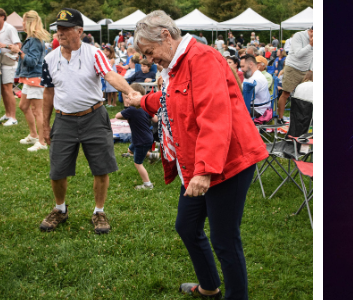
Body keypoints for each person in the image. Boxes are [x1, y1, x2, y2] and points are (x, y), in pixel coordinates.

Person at [128, 11, 268, 299]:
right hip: (200, 162)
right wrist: (141, 100)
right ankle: (209, 287)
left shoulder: (202, 58)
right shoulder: (177, 65)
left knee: (224, 239)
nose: (149, 59)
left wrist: (204, 171)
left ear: (166, 36)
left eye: (150, 52)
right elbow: (172, 99)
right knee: (187, 226)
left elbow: (214, 116)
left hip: (228, 162)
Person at [37, 8, 142, 234]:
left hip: (94, 116)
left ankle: (99, 211)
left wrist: (130, 92)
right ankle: (60, 209)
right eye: (58, 29)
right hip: (63, 119)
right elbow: (48, 92)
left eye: (66, 29)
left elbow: (110, 75)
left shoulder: (94, 54)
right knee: (57, 169)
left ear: (80, 31)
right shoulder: (50, 59)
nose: (60, 33)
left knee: (101, 167)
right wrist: (45, 125)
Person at [15, 11, 51, 152]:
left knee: (37, 111)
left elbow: (32, 61)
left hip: (35, 78)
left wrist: (19, 52)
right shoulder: (31, 39)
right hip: (29, 78)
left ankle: (42, 142)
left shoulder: (35, 40)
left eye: (24, 21)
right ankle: (34, 135)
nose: (22, 24)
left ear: (29, 22)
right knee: (23, 106)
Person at [115, 101, 155, 190]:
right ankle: (152, 155)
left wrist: (127, 110)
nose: (127, 100)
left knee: (138, 163)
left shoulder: (131, 110)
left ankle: (148, 184)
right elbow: (155, 119)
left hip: (141, 141)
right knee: (130, 150)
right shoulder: (144, 108)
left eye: (129, 98)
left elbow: (117, 116)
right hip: (147, 137)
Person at [277, 27, 312, 124]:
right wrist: (310, 45)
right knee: (286, 93)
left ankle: (302, 119)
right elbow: (298, 54)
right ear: (311, 31)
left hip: (306, 70)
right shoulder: (298, 36)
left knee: (305, 95)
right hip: (293, 68)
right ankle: (280, 118)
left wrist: (311, 69)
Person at [0, 8, 20, 126]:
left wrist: (5, 45)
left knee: (8, 90)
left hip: (9, 63)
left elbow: (18, 46)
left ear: (3, 17)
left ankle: (13, 118)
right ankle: (8, 114)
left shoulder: (10, 28)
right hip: (0, 63)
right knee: (3, 90)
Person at [241, 54, 271, 123]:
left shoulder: (255, 78)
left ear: (251, 64)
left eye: (243, 66)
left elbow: (245, 98)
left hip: (258, 110)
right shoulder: (252, 75)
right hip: (257, 107)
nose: (241, 69)